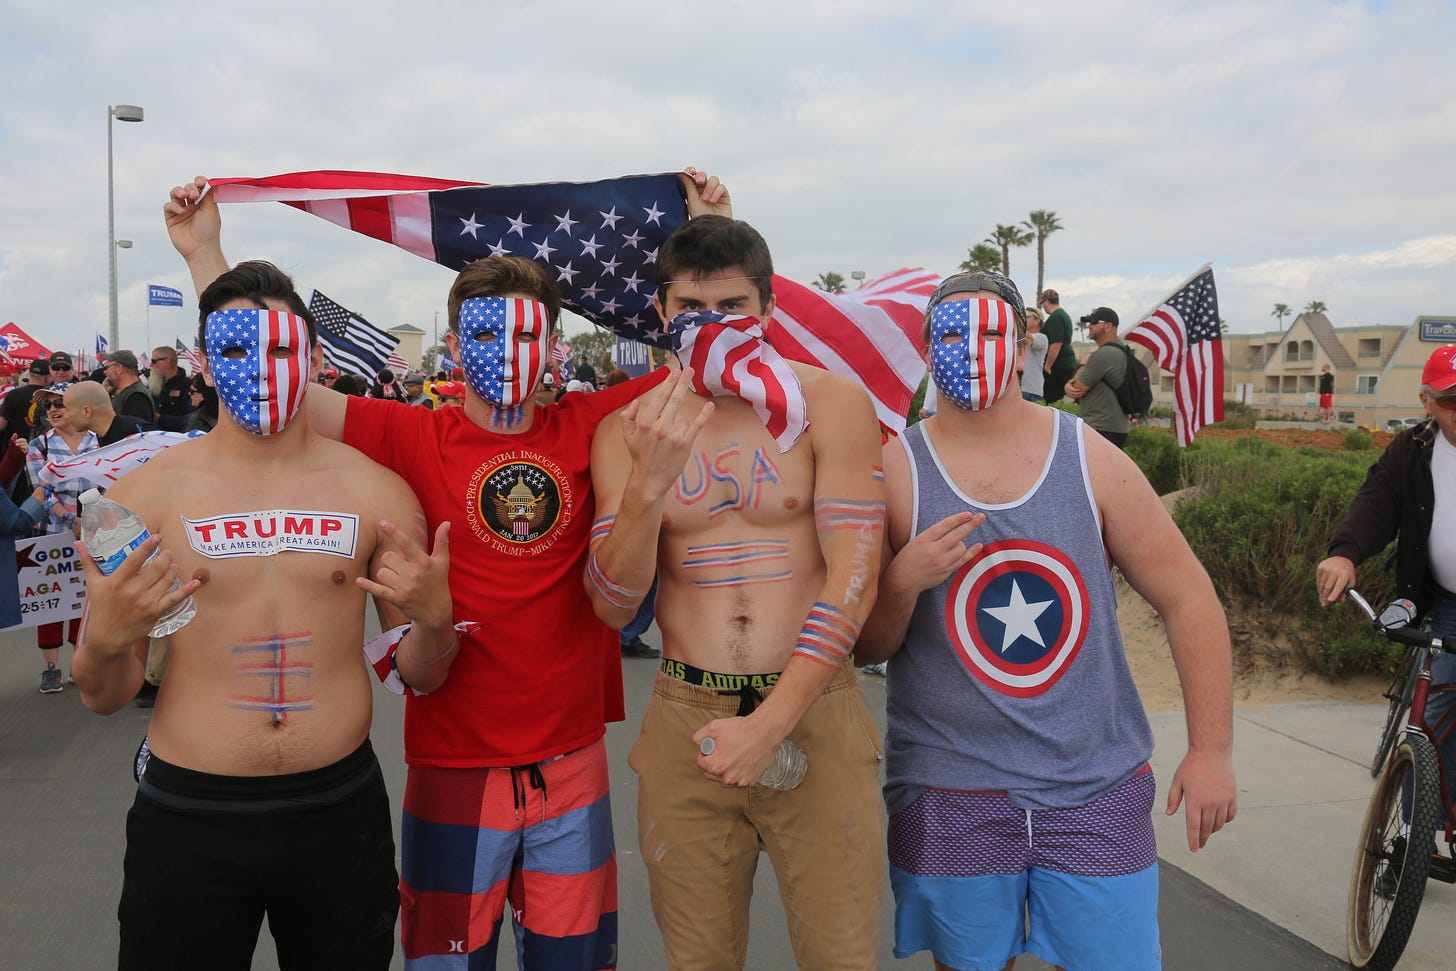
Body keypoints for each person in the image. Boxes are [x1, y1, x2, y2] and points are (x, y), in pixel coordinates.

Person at [163, 166, 728, 970]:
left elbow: (707, 361)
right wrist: (204, 255)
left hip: (571, 761)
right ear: (457, 345)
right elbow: (268, 365)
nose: (509, 354)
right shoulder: (409, 435)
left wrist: (708, 234)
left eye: (527, 337)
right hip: (453, 762)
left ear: (554, 348)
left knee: (575, 959)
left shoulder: (594, 420)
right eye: (488, 337)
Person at [72, 259, 453, 970]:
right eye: (236, 349)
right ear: (205, 364)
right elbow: (103, 694)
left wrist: (434, 625)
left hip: (338, 812)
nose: (259, 367)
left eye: (280, 348)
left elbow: (422, 676)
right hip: (189, 816)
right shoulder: (139, 498)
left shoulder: (378, 491)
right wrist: (107, 644)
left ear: (314, 358)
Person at [857, 269, 1236, 971]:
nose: (971, 350)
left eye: (992, 332)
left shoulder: (1092, 459)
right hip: (949, 789)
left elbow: (1189, 597)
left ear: (1023, 343)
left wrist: (1210, 750)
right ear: (927, 345)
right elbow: (868, 645)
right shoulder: (894, 471)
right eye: (952, 335)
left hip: (1096, 784)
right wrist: (902, 582)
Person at [588, 212, 888, 970]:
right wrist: (649, 484)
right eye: (691, 307)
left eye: (733, 307)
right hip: (688, 711)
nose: (712, 324)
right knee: (698, 959)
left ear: (769, 309)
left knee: (842, 957)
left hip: (813, 708)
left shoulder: (829, 404)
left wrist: (770, 724)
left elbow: (854, 577)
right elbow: (612, 604)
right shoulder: (630, 427)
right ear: (661, 310)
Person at [1317, 343, 1456, 824]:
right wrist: (1344, 554)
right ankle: (1417, 839)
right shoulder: (1412, 449)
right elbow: (1376, 503)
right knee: (1434, 719)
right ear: (1427, 402)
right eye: (1451, 400)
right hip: (1445, 601)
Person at [27, 382, 98, 693]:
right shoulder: (39, 445)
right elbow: (41, 490)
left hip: (93, 531)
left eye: (59, 404)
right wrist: (69, 519)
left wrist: (88, 521)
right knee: (51, 601)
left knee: (85, 599)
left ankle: (77, 665)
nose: (53, 410)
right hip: (52, 534)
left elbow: (108, 482)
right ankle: (51, 668)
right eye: (48, 406)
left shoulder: (99, 440)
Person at [1065, 305, 1133, 448]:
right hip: (1116, 427)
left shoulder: (1104, 354)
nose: (1089, 326)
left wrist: (1083, 364)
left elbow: (1076, 389)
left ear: (1108, 326)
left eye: (1094, 322)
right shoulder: (1122, 350)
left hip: (1100, 427)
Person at [63, 381, 155, 446]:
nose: (65, 416)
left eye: (67, 409)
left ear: (86, 411)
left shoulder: (139, 433)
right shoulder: (101, 435)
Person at [1036, 288, 1078, 404]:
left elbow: (1056, 344)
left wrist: (1047, 366)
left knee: (1052, 399)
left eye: (1043, 303)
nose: (1043, 307)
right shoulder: (1064, 315)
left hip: (1058, 365)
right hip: (1065, 362)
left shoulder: (1056, 317)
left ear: (1047, 301)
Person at [0, 357, 54, 440]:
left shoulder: (13, 394)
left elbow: (2, 425)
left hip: (15, 444)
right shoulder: (52, 396)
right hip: (41, 445)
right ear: (47, 377)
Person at [102, 351, 157, 424]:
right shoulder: (126, 393)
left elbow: (135, 428)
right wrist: (105, 394)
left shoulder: (136, 397)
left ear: (119, 369)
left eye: (107, 367)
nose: (105, 372)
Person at [149, 345, 194, 431]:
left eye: (154, 361)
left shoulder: (187, 386)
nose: (151, 365)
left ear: (168, 361)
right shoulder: (154, 385)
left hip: (177, 436)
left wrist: (161, 419)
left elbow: (192, 418)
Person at [1020, 306, 1050, 403]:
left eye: (1027, 317)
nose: (1023, 319)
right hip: (1022, 389)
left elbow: (1028, 337)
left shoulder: (1042, 338)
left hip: (1032, 391)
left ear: (1037, 321)